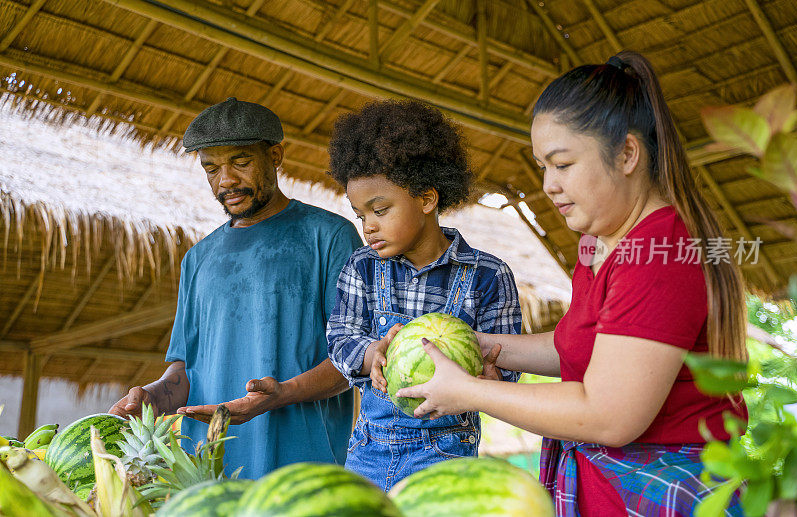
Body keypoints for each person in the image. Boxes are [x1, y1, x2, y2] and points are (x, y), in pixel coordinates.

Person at [394, 51, 747, 516]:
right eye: (542, 165)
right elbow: (579, 349)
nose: (548, 185)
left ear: (626, 154)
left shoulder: (661, 250)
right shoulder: (599, 243)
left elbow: (609, 414)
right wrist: (474, 346)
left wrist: (470, 392)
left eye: (562, 164)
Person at [109, 97, 363, 480]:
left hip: (302, 474)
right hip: (207, 474)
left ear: (275, 155)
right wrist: (154, 396)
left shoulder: (328, 235)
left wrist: (283, 393)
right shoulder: (198, 258)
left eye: (240, 162)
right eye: (211, 169)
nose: (225, 180)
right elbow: (186, 371)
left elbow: (355, 360)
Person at [325, 99, 522, 492]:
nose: (368, 226)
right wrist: (371, 355)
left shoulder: (488, 275)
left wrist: (489, 376)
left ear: (427, 199)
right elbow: (340, 340)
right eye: (361, 214)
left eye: (380, 210)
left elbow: (509, 365)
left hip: (447, 453)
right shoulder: (361, 267)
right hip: (368, 450)